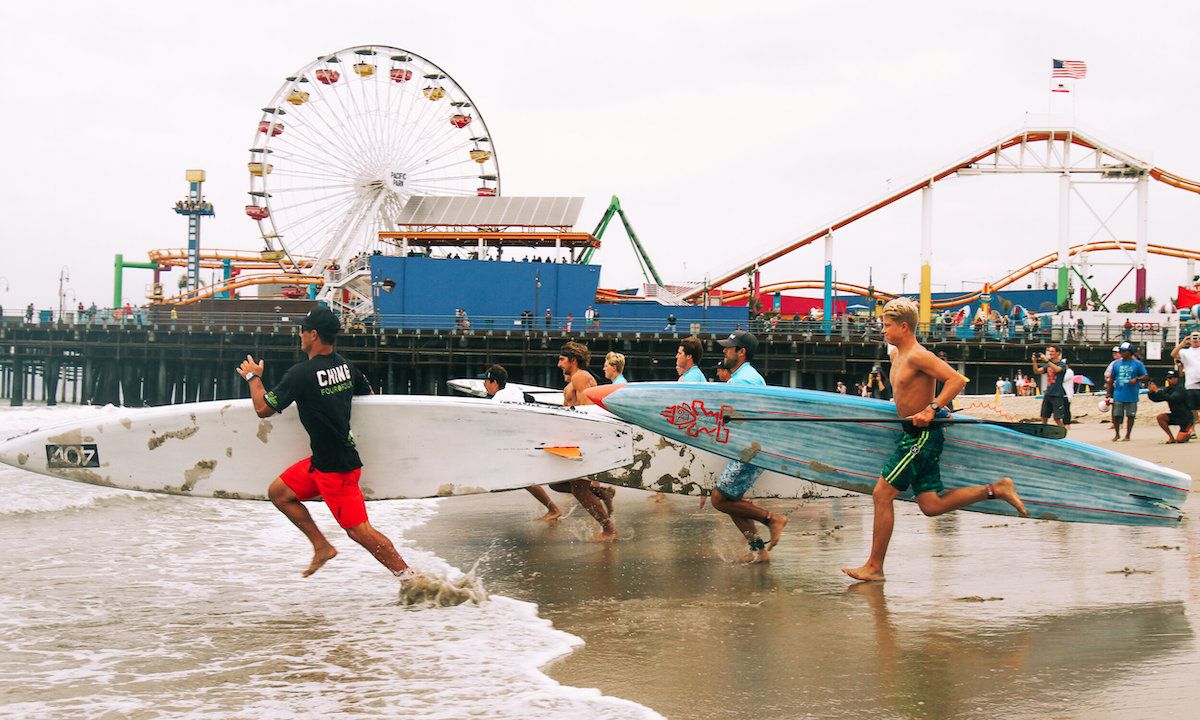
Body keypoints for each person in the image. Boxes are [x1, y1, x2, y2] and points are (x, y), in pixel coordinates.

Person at [842, 298, 1026, 583]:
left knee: (882, 494)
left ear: (904, 328)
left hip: (921, 437)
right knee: (930, 505)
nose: (883, 331)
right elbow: (909, 375)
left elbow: (955, 380)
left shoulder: (918, 355)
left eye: (888, 326)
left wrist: (933, 408)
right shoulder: (897, 354)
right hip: (913, 433)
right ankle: (996, 489)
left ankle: (875, 567)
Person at [237, 306, 412, 579]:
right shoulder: (346, 367)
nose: (300, 335)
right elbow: (371, 399)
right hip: (323, 462)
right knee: (279, 493)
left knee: (359, 530)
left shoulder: (301, 374)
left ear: (313, 335)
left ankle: (410, 577)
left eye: (302, 331)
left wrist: (253, 377)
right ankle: (321, 546)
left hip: (336, 470)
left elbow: (263, 409)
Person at [708, 331, 788, 563]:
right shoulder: (743, 376)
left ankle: (772, 519)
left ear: (741, 352)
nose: (725, 351)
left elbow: (739, 416)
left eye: (729, 348)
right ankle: (758, 550)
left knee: (720, 499)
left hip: (751, 448)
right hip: (748, 446)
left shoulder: (746, 380)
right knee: (732, 501)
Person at [549, 341, 617, 540]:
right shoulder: (572, 382)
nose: (559, 364)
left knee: (579, 489)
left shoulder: (581, 377)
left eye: (562, 360)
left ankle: (609, 529)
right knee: (555, 484)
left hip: (584, 441)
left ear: (573, 360)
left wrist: (590, 450)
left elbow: (589, 413)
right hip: (573, 441)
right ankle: (603, 494)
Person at [482, 364, 562, 519]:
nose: (483, 385)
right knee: (525, 479)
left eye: (485, 381)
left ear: (494, 382)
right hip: (525, 437)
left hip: (515, 444)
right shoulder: (513, 390)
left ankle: (554, 509)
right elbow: (529, 400)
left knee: (526, 479)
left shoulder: (498, 400)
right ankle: (553, 509)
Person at [1106, 341, 1148, 442]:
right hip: (1119, 392)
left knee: (1130, 415)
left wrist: (1136, 379)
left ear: (1130, 352)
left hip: (1132, 393)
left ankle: (1128, 435)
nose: (1121, 353)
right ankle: (1117, 434)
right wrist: (1108, 391)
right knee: (1116, 415)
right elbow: (1111, 378)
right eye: (1121, 351)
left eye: (1123, 351)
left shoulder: (1137, 364)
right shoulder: (1116, 364)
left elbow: (1145, 376)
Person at [1147, 370, 1194, 444]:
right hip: (1175, 415)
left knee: (1180, 440)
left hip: (1185, 418)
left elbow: (1172, 399)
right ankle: (1171, 438)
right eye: (1168, 378)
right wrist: (1151, 392)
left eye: (1171, 378)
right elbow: (1157, 399)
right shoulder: (1168, 389)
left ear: (1176, 378)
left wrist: (1158, 391)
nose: (1169, 380)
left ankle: (1188, 432)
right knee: (1160, 417)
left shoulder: (1181, 389)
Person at [1031, 345, 1069, 434]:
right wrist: (1034, 361)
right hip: (1048, 393)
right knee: (1044, 417)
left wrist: (1047, 361)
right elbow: (1037, 371)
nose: (1050, 353)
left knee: (1057, 418)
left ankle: (1064, 434)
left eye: (1052, 352)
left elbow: (1057, 370)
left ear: (1058, 353)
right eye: (1049, 352)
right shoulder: (1048, 364)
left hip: (1057, 394)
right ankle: (1043, 434)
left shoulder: (1062, 365)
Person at [1169, 332, 1200, 437]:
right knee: (1192, 409)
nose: (1195, 339)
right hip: (1191, 384)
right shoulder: (1185, 352)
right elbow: (1173, 354)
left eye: (1198, 337)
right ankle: (1193, 430)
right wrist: (1183, 343)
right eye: (1193, 337)